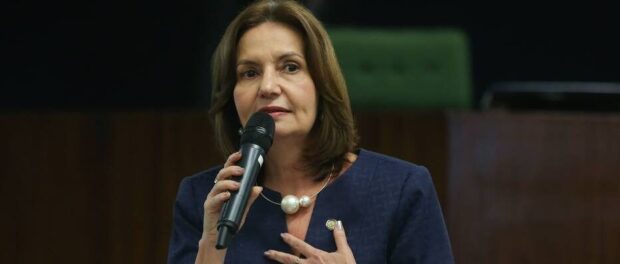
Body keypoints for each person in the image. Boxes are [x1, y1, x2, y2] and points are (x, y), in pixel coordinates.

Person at [168, 0, 454, 263]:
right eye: (249, 73)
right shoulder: (203, 200)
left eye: (290, 67)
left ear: (322, 85)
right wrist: (210, 247)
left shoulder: (401, 190)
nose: (268, 87)